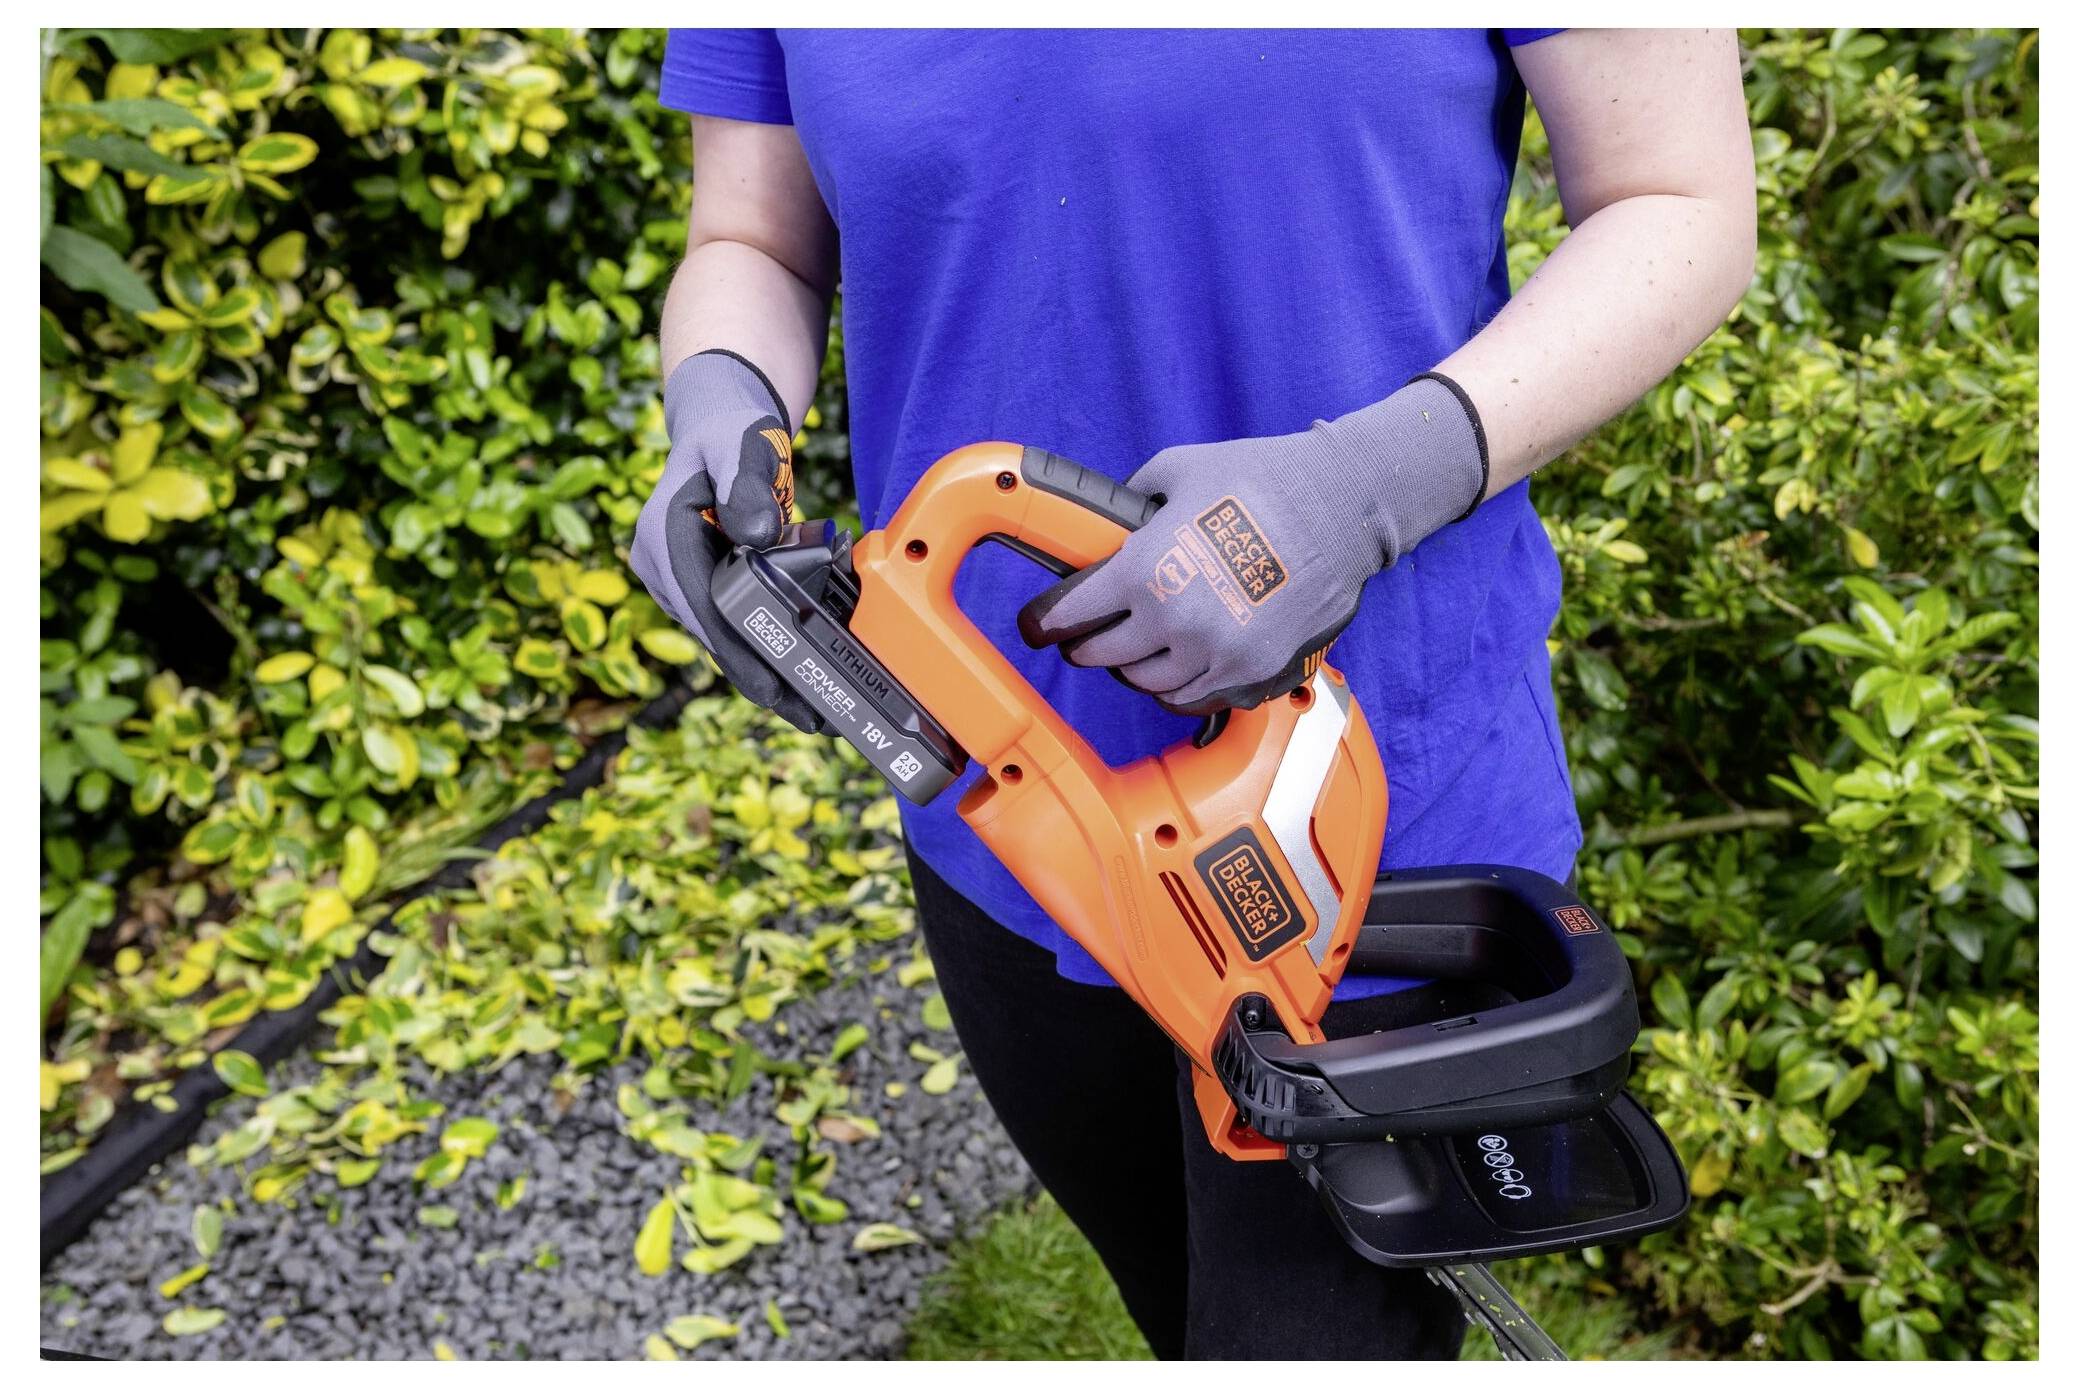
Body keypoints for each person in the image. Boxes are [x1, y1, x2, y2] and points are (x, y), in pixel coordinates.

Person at [631, 28, 1755, 1360]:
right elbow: (754, 238)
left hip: (1361, 843)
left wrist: (1369, 485)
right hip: (1004, 821)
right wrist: (724, 400)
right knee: (1181, 1317)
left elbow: (1680, 203)